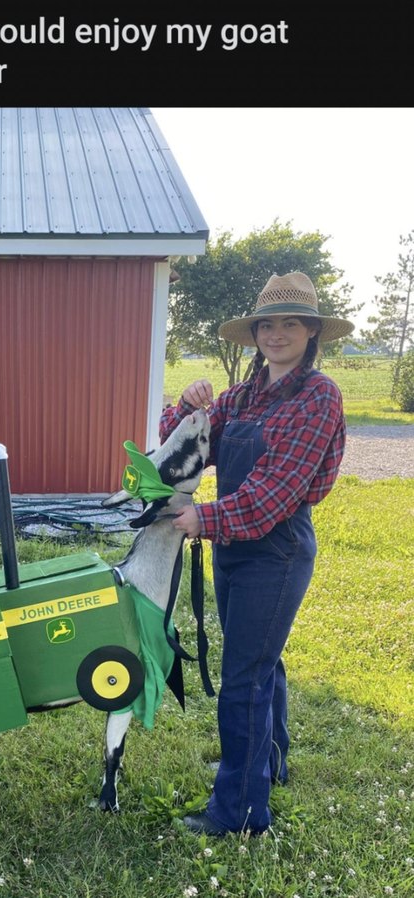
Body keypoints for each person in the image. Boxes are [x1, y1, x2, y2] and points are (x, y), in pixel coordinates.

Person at [160, 272, 354, 836]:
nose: (277, 333)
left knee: (245, 675)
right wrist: (186, 406)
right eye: (267, 324)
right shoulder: (243, 394)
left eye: (290, 323)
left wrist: (202, 519)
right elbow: (185, 447)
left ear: (312, 331)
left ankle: (241, 812)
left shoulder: (319, 397)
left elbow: (274, 494)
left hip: (277, 550)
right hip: (233, 547)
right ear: (254, 333)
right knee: (263, 658)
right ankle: (265, 764)